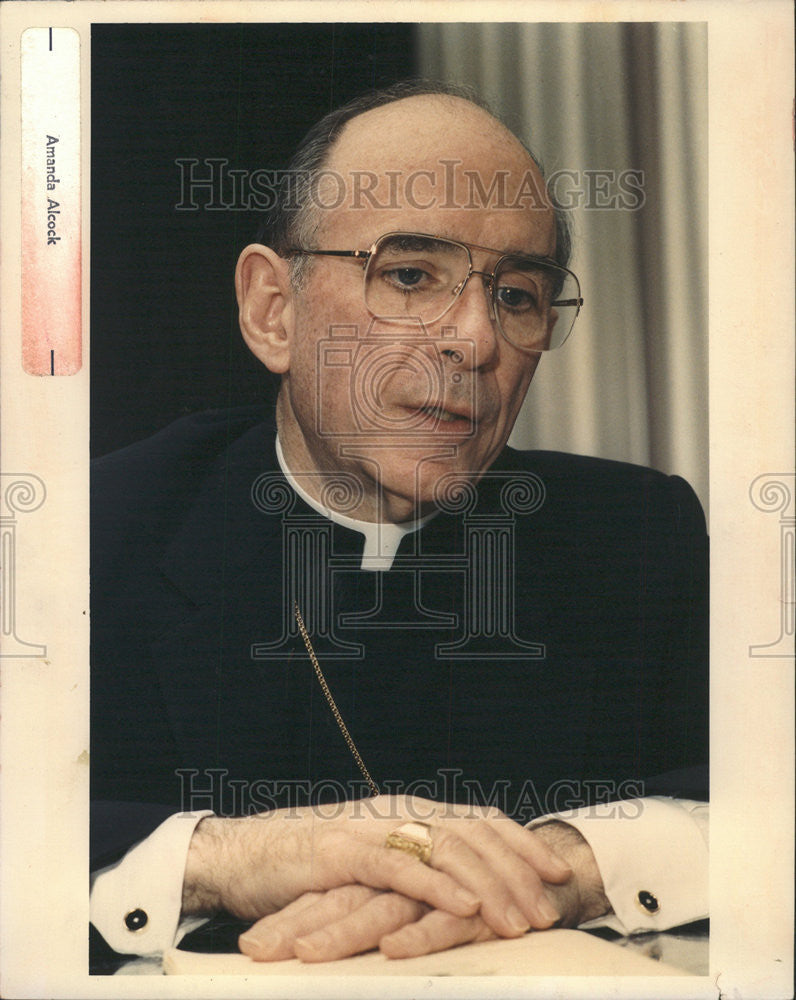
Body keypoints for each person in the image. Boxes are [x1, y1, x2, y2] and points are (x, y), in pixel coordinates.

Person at [89, 82, 708, 969]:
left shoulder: (638, 537)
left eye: (519, 295)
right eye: (411, 276)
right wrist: (226, 857)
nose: (475, 341)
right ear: (274, 310)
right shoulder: (92, 537)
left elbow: (764, 797)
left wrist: (578, 863)